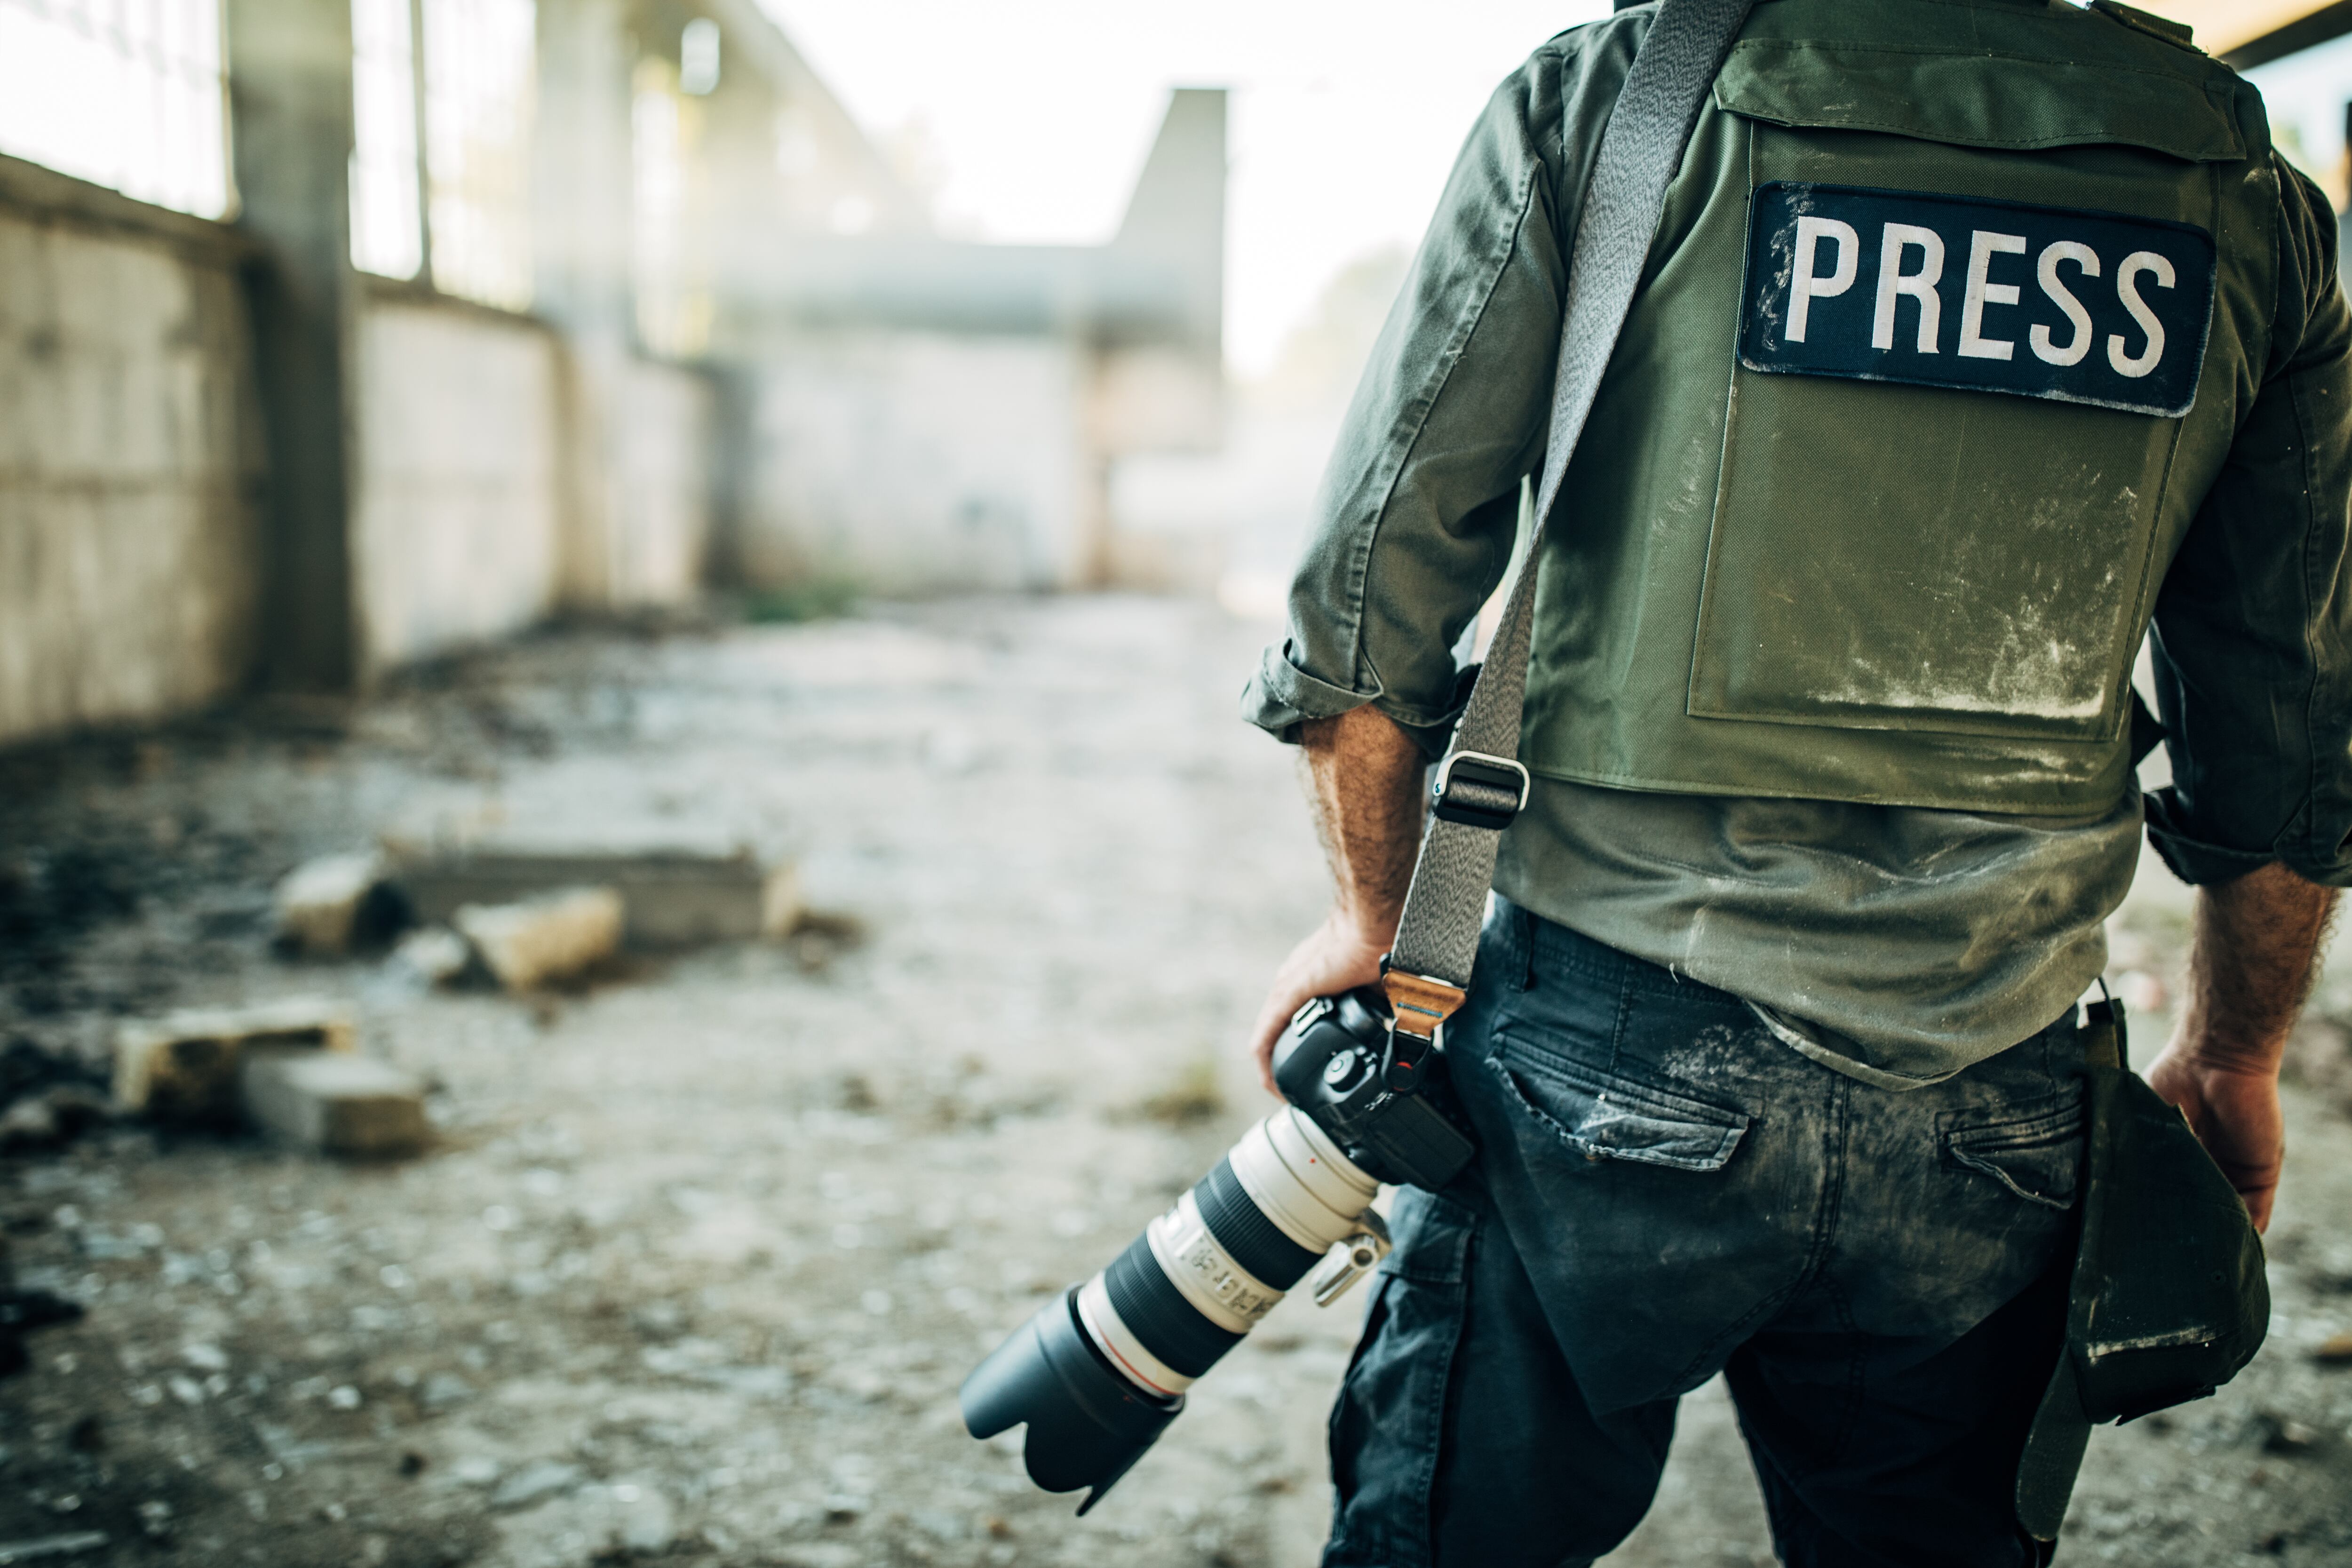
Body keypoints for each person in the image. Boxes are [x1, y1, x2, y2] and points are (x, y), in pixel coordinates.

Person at [1239, 1, 2352, 1564]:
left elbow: (1371, 593)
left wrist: (1375, 916)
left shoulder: (1621, 98)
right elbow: (2291, 719)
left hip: (1597, 1047)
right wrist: (2235, 1053)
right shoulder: (2250, 199)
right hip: (2001, 1084)